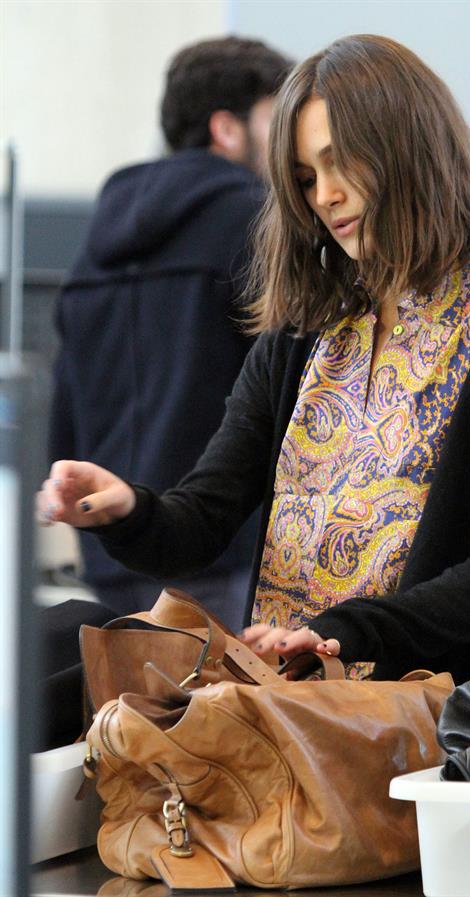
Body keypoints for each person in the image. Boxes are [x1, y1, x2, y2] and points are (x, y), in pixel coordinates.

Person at [39, 34, 470, 685]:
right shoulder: (301, 338)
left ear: (409, 149)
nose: (323, 196)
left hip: (428, 738)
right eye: (303, 177)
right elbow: (202, 518)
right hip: (287, 717)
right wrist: (128, 507)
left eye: (339, 163)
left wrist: (344, 628)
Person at [48, 37, 291, 626]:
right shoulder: (256, 223)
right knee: (217, 719)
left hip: (109, 543)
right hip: (219, 553)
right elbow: (289, 389)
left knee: (117, 716)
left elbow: (64, 405)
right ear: (227, 129)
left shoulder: (96, 243)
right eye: (273, 119)